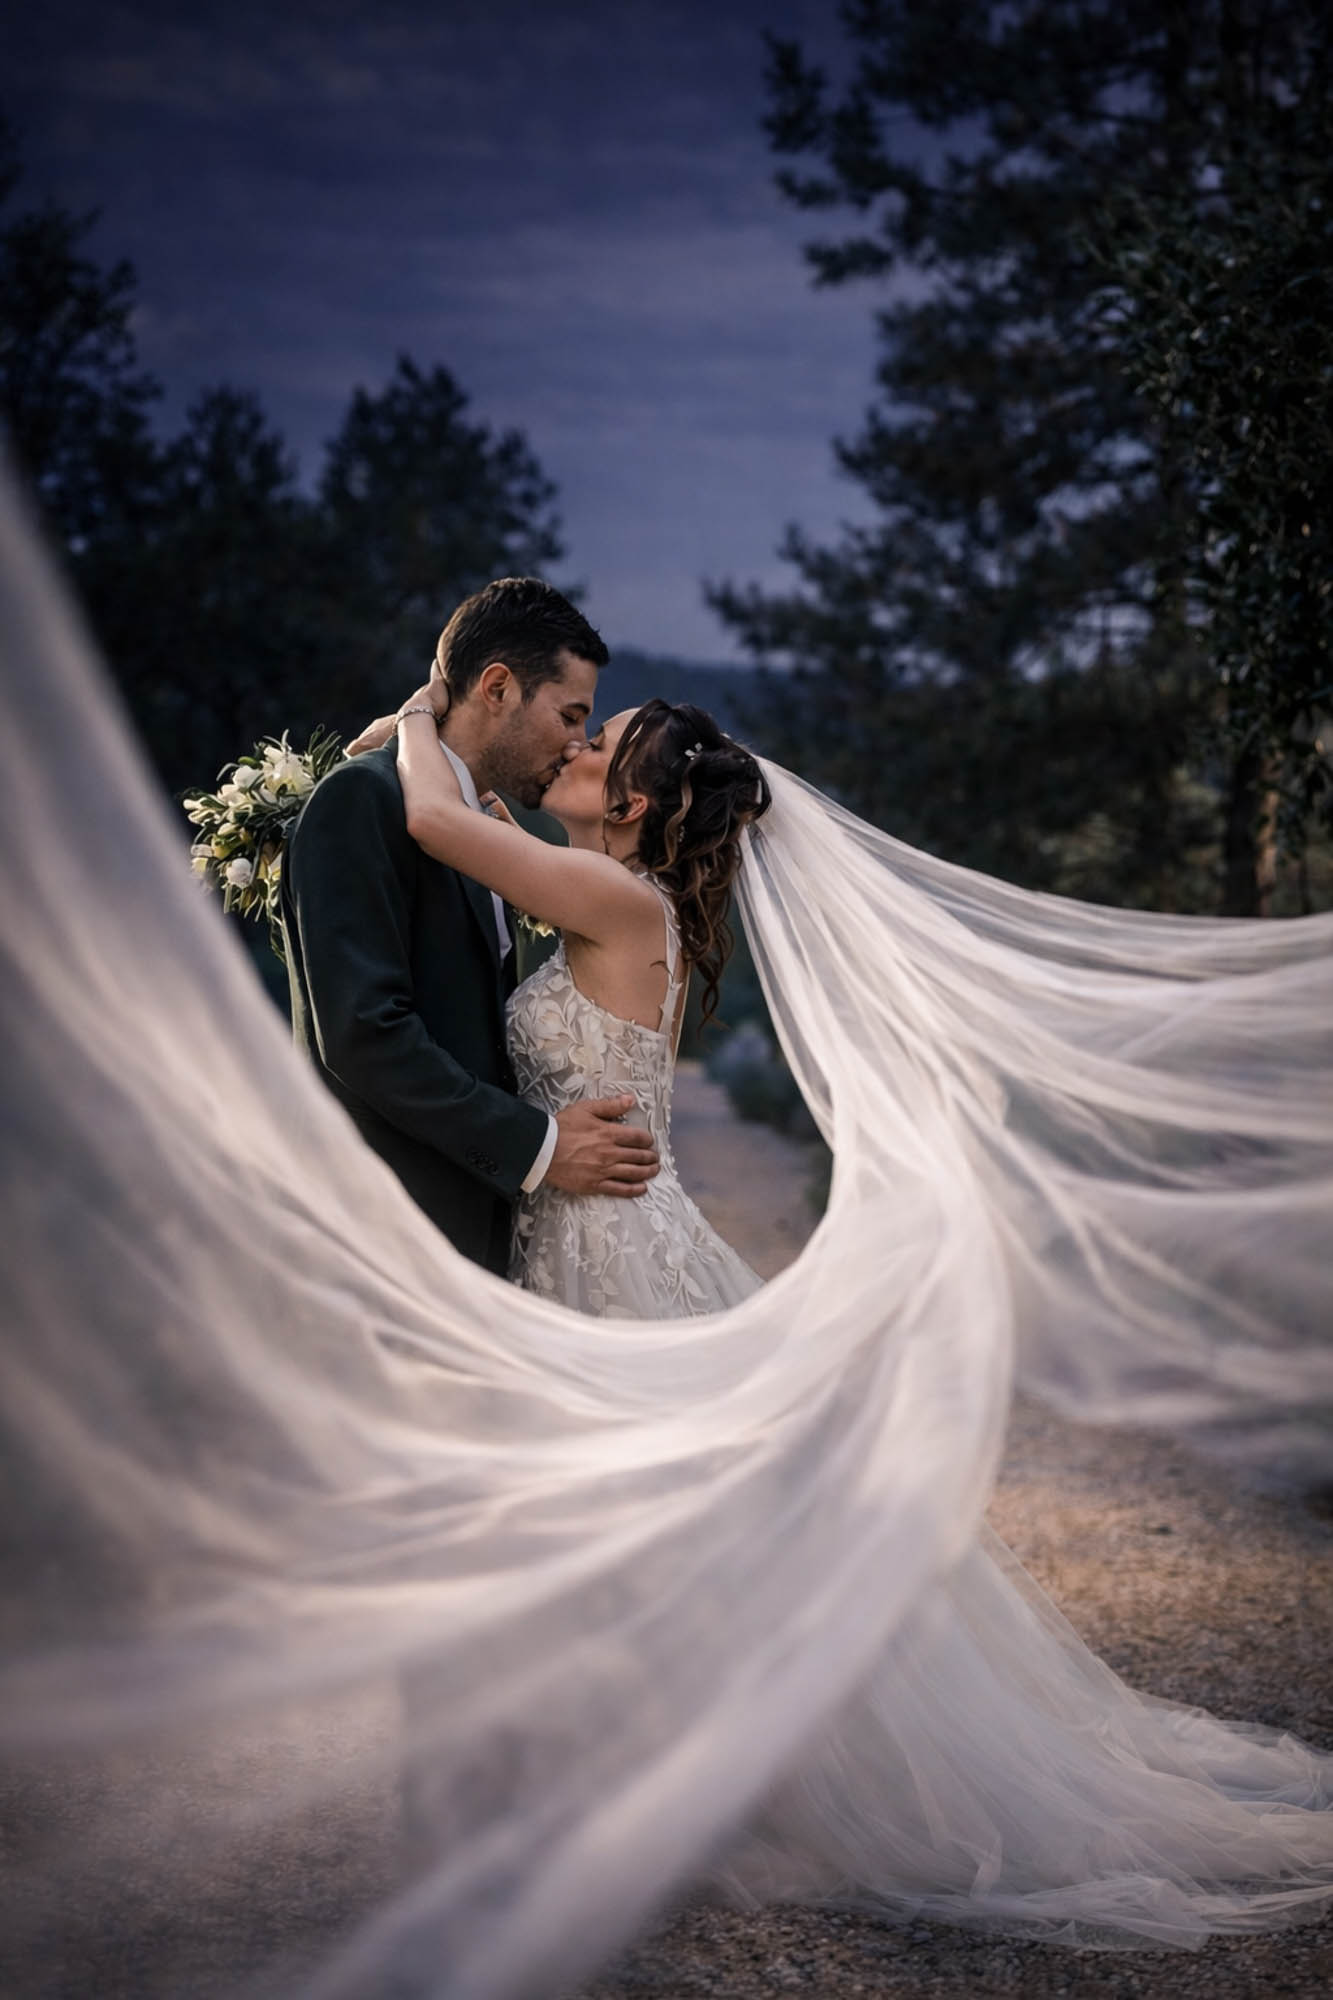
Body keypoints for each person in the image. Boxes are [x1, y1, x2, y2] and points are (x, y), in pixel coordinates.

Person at [278, 577, 658, 1275]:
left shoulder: (477, 830)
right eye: (570, 715)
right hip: (391, 1238)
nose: (576, 745)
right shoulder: (364, 800)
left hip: (482, 1238)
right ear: (496, 688)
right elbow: (364, 1033)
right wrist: (536, 1147)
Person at [391, 685, 771, 1311]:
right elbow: (515, 852)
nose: (573, 745)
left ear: (627, 808)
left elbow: (432, 820)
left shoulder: (613, 897)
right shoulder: (626, 897)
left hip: (602, 1248)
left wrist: (416, 715)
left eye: (595, 744)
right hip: (592, 1224)